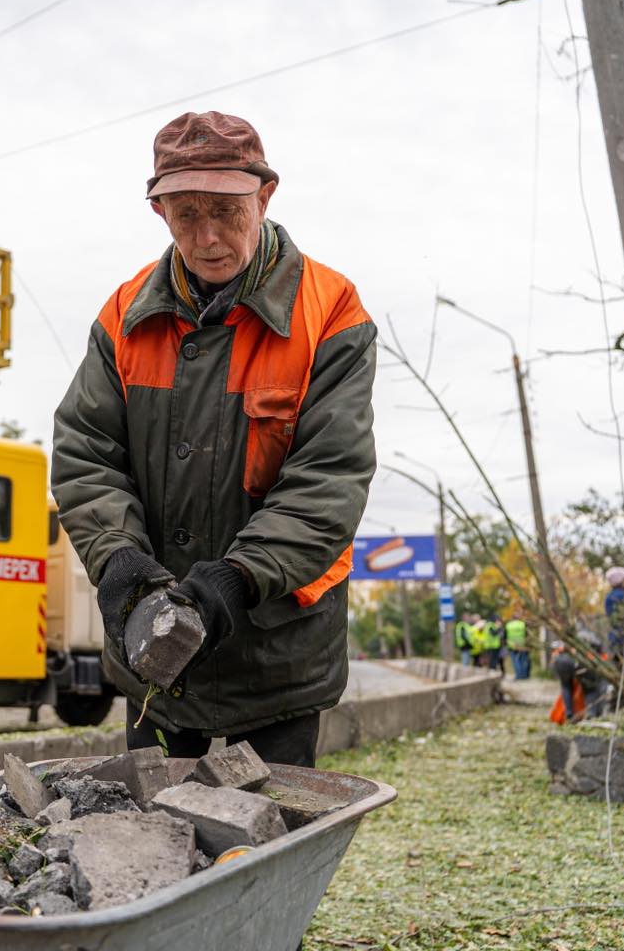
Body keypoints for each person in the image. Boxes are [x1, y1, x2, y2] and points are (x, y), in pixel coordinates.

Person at [51, 111, 376, 768]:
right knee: (149, 851)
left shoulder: (332, 312)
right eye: (184, 215)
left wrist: (237, 577)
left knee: (265, 845)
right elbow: (86, 452)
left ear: (265, 194)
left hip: (277, 656)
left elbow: (329, 480)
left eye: (226, 212)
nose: (207, 238)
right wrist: (116, 557)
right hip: (157, 669)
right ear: (159, 212)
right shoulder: (122, 316)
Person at [504, 615, 531, 680]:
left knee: (515, 661)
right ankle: (524, 676)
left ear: (512, 618)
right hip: (522, 644)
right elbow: (527, 634)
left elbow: (505, 636)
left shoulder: (508, 625)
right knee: (522, 660)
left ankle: (518, 675)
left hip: (512, 645)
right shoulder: (522, 624)